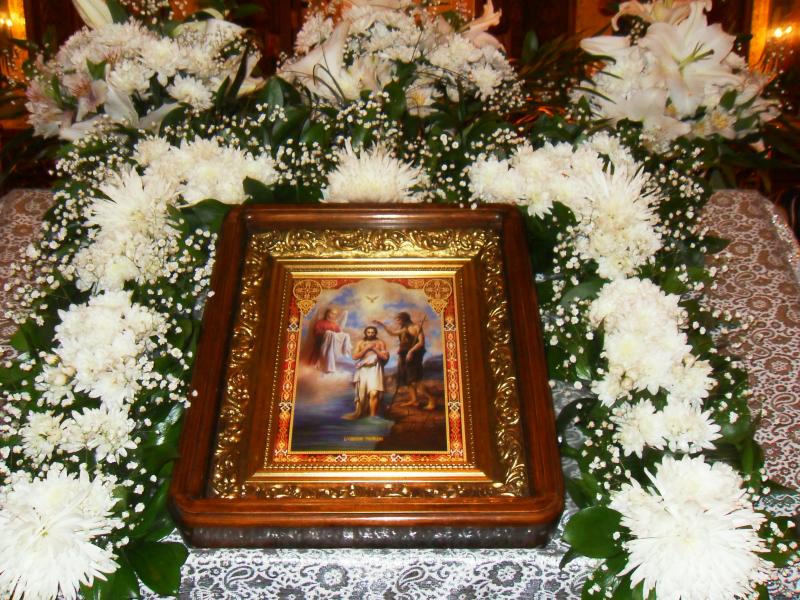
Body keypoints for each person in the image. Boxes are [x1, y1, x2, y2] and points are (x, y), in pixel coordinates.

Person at [374, 312, 432, 410]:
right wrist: (382, 325)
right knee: (407, 379)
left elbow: (421, 343)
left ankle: (431, 399)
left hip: (413, 356)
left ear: (404, 319)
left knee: (414, 380)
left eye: (398, 320)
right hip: (403, 355)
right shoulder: (404, 329)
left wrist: (410, 351)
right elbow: (392, 333)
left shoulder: (416, 327)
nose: (397, 322)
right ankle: (414, 400)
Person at [344, 326, 389, 419]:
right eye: (368, 332)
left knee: (374, 393)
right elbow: (355, 357)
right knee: (362, 396)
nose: (370, 334)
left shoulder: (380, 343)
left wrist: (374, 349)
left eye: (372, 332)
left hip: (375, 369)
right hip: (363, 370)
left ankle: (372, 417)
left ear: (375, 333)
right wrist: (367, 348)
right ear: (365, 333)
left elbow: (384, 357)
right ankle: (364, 413)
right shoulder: (361, 343)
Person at [301, 307, 351, 373]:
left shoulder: (335, 325)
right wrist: (326, 333)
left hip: (331, 347)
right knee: (315, 366)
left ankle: (329, 368)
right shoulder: (320, 322)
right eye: (332, 313)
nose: (333, 315)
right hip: (320, 344)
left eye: (335, 314)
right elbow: (316, 333)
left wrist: (338, 336)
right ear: (327, 313)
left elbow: (339, 334)